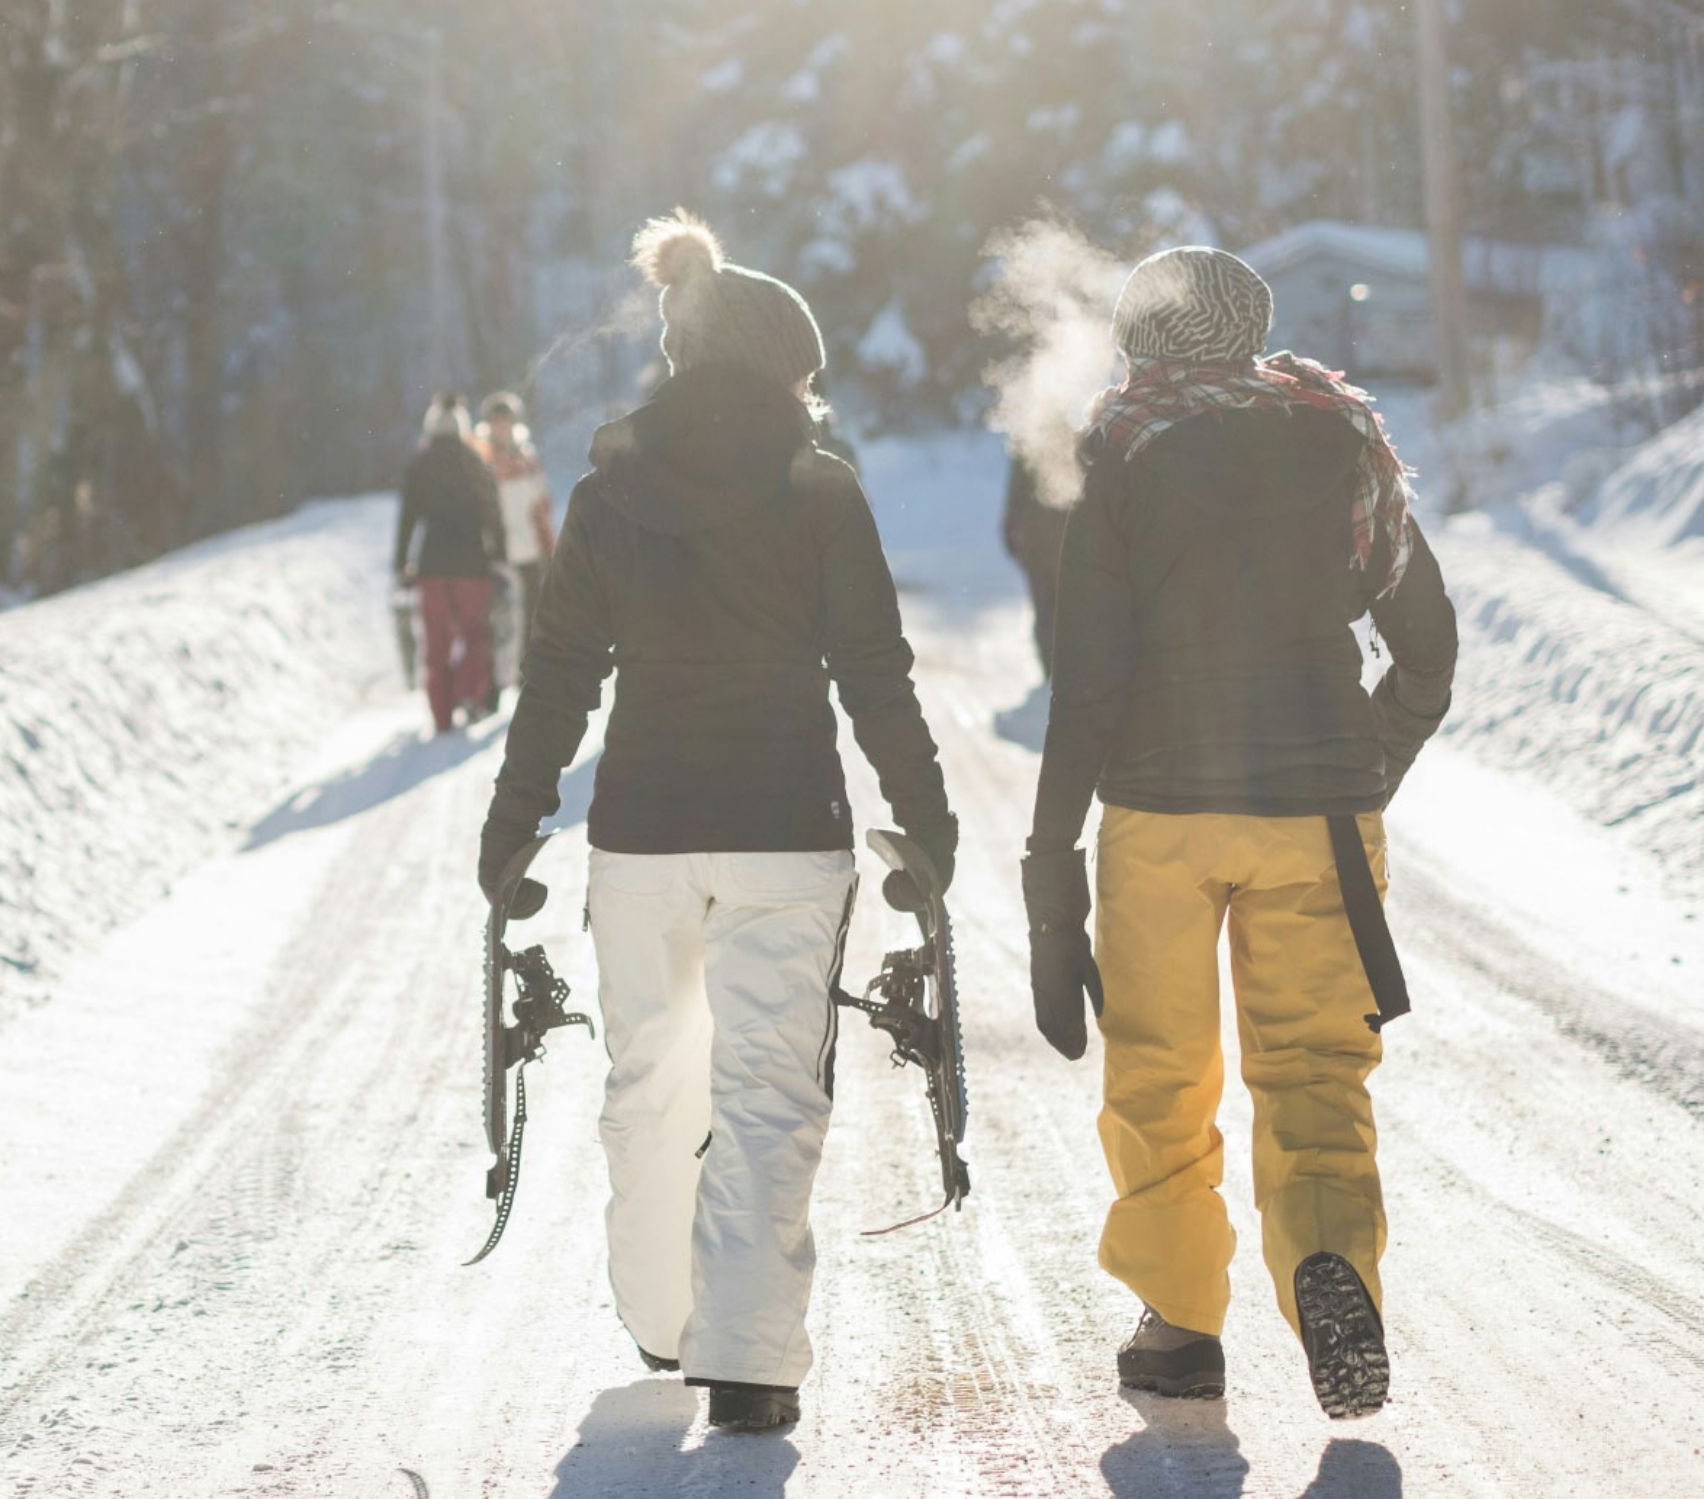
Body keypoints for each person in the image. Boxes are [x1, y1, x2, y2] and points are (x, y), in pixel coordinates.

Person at [478, 210, 956, 1433]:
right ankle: (746, 1359)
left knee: (648, 1078)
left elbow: (560, 670)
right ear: (784, 367)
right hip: (785, 827)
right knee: (765, 1087)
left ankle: (660, 1315)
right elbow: (873, 668)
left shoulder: (605, 489)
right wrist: (926, 815)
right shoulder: (820, 488)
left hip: (640, 831)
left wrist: (513, 818)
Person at [1022, 247, 1457, 1419]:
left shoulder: (1123, 444)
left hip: (1161, 813)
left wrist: (1046, 861)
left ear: (1140, 338)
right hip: (1319, 810)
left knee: (1160, 1069)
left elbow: (1090, 678)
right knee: (1316, 1067)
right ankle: (1328, 1259)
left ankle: (1177, 1323)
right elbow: (1427, 647)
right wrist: (1373, 763)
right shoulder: (1342, 437)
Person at [395, 392, 505, 733]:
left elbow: (408, 520)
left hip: (431, 567)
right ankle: (471, 694)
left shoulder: (419, 465)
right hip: (473, 565)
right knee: (475, 634)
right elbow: (493, 514)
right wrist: (499, 556)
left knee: (436, 641)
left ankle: (441, 714)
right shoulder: (475, 461)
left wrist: (402, 563)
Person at [475, 390, 557, 676]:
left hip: (529, 550)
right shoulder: (481, 459)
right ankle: (493, 684)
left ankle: (526, 675)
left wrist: (549, 547)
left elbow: (542, 505)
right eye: (497, 421)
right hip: (496, 552)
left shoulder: (527, 457)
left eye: (507, 421)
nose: (502, 427)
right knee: (497, 619)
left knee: (530, 618)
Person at [1002, 453, 1070, 677]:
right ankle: (1063, 666)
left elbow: (1015, 494)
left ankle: (1050, 666)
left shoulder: (1028, 440)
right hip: (1063, 535)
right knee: (1067, 606)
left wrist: (1010, 532)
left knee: (1044, 606)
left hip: (1034, 536)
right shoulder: (1076, 433)